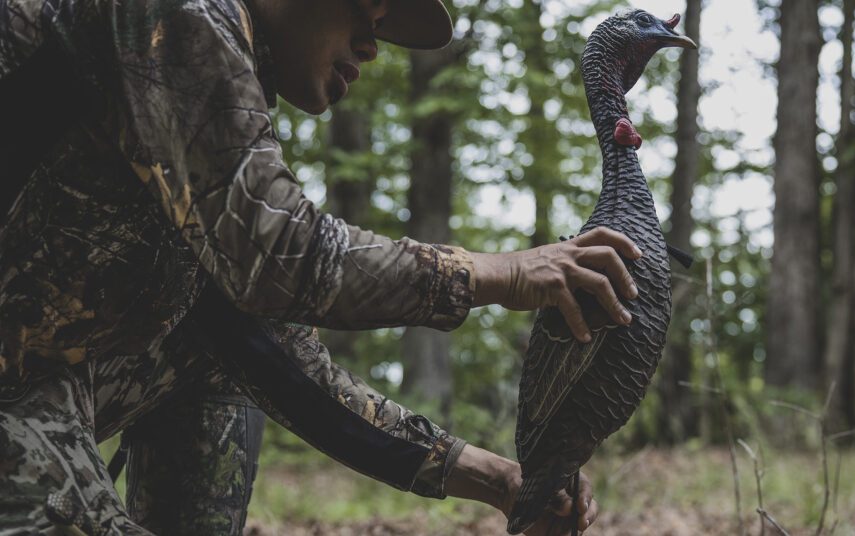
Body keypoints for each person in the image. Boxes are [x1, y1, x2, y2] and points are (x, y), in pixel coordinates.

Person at [0, 0, 641, 533]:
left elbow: (273, 347)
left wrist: (502, 481)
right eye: (368, 10)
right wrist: (501, 273)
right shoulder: (177, 13)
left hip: (39, 380)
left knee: (221, 352)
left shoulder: (195, 138)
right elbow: (281, 255)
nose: (372, 46)